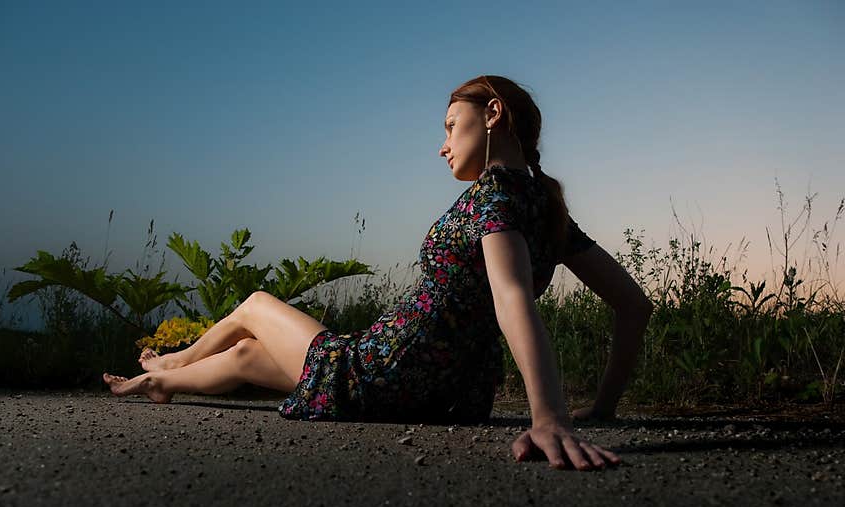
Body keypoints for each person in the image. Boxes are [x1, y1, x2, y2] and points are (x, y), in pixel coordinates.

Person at [104, 75, 653, 470]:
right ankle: (161, 382)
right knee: (249, 355)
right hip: (457, 392)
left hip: (389, 369)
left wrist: (549, 416)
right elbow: (633, 306)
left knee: (254, 304)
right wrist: (603, 405)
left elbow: (512, 298)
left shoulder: (494, 199)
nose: (442, 146)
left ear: (492, 114)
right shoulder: (546, 207)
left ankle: (168, 359)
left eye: (450, 126)